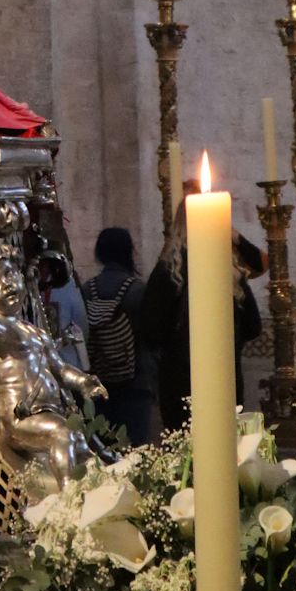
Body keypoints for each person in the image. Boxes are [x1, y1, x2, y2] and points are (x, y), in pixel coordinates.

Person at [138, 187, 263, 431]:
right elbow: (253, 326)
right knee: (224, 450)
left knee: (186, 455)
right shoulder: (231, 273)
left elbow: (151, 330)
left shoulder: (168, 272)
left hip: (180, 381)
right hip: (224, 377)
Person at [81, 227, 157, 446]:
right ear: (129, 252)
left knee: (102, 453)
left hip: (99, 383)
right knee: (135, 454)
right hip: (135, 385)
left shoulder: (87, 290)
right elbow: (151, 336)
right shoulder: (138, 291)